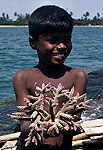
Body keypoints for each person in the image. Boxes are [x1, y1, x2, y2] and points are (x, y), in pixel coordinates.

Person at [13, 5, 88, 150]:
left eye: (67, 39)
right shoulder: (22, 77)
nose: (61, 46)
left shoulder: (78, 76)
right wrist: (38, 127)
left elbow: (76, 119)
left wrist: (69, 125)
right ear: (33, 43)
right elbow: (24, 124)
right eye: (53, 40)